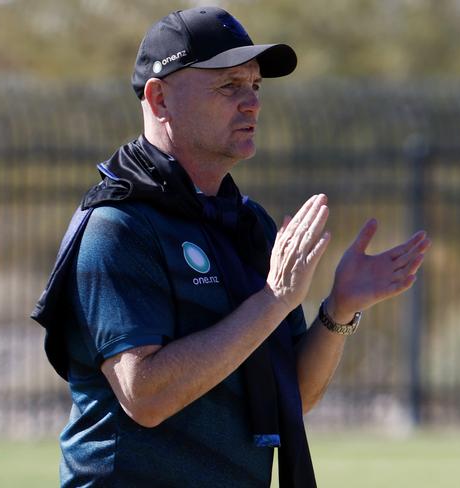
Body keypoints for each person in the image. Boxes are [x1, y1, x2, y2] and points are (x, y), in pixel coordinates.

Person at [31, 6, 431, 487]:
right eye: (229, 86)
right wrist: (274, 300)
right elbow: (146, 396)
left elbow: (292, 395)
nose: (252, 103)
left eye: (255, 86)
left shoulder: (247, 224)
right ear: (159, 99)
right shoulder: (118, 226)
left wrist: (338, 310)